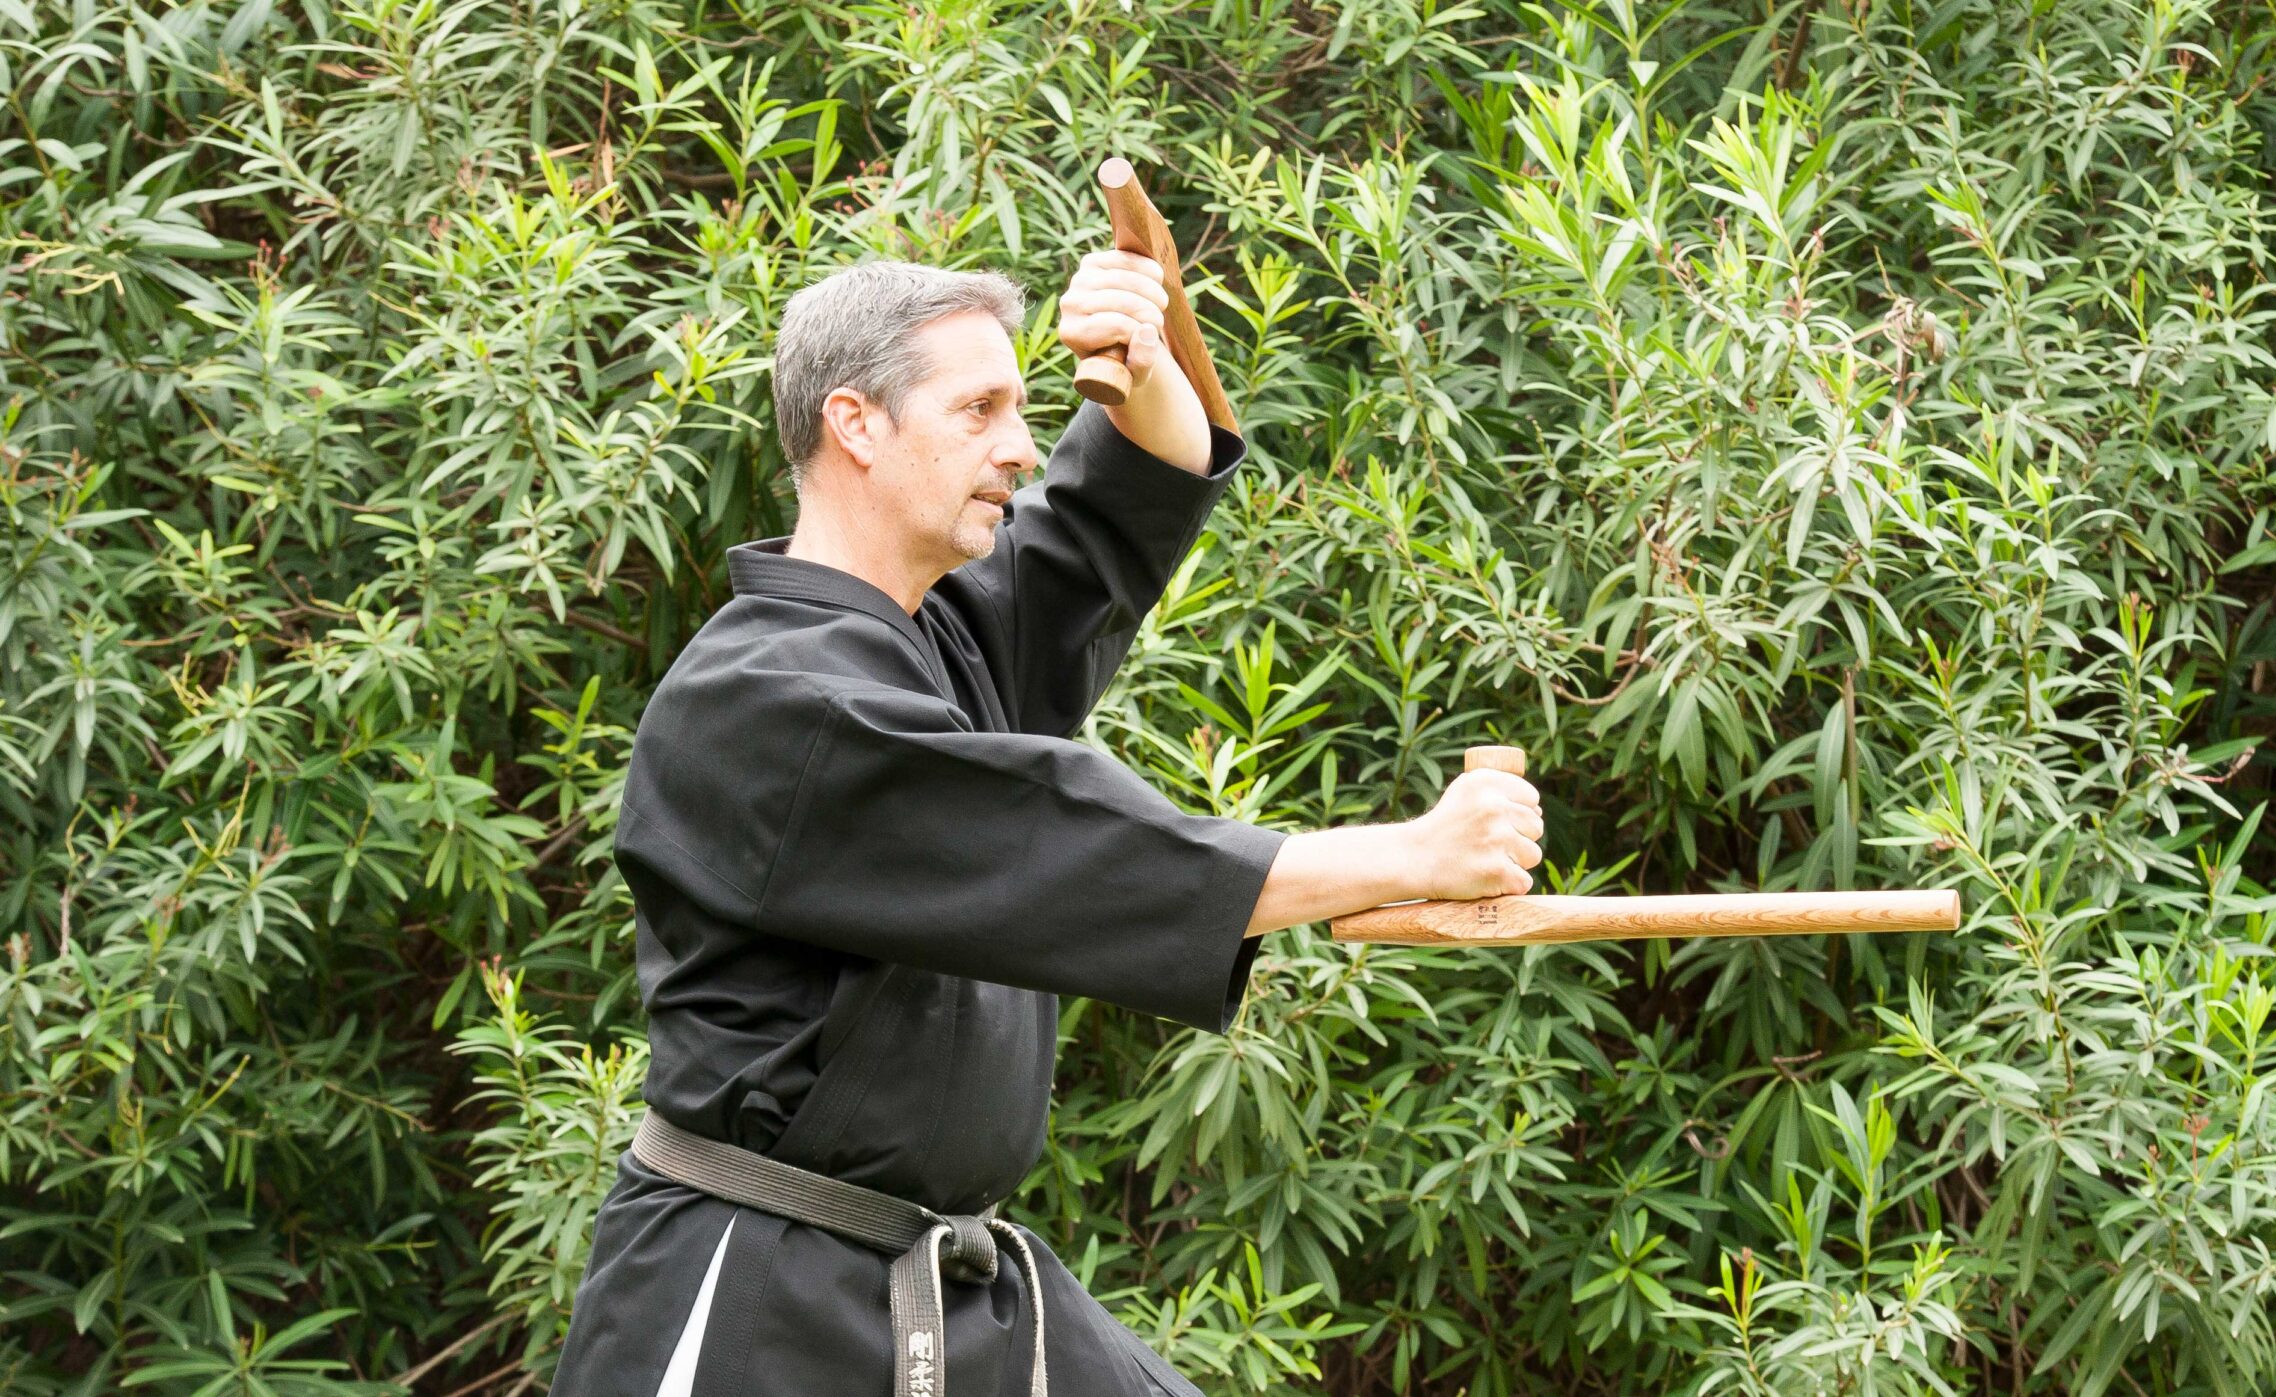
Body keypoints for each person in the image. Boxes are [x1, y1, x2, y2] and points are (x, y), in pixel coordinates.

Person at [548, 249, 1544, 1397]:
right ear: (854, 423)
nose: (1018, 444)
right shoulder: (769, 701)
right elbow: (1067, 850)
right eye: (979, 409)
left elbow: (1098, 527)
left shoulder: (930, 638)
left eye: (1023, 409)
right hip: (759, 1303)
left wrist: (1145, 362)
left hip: (933, 1280)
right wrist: (1409, 851)